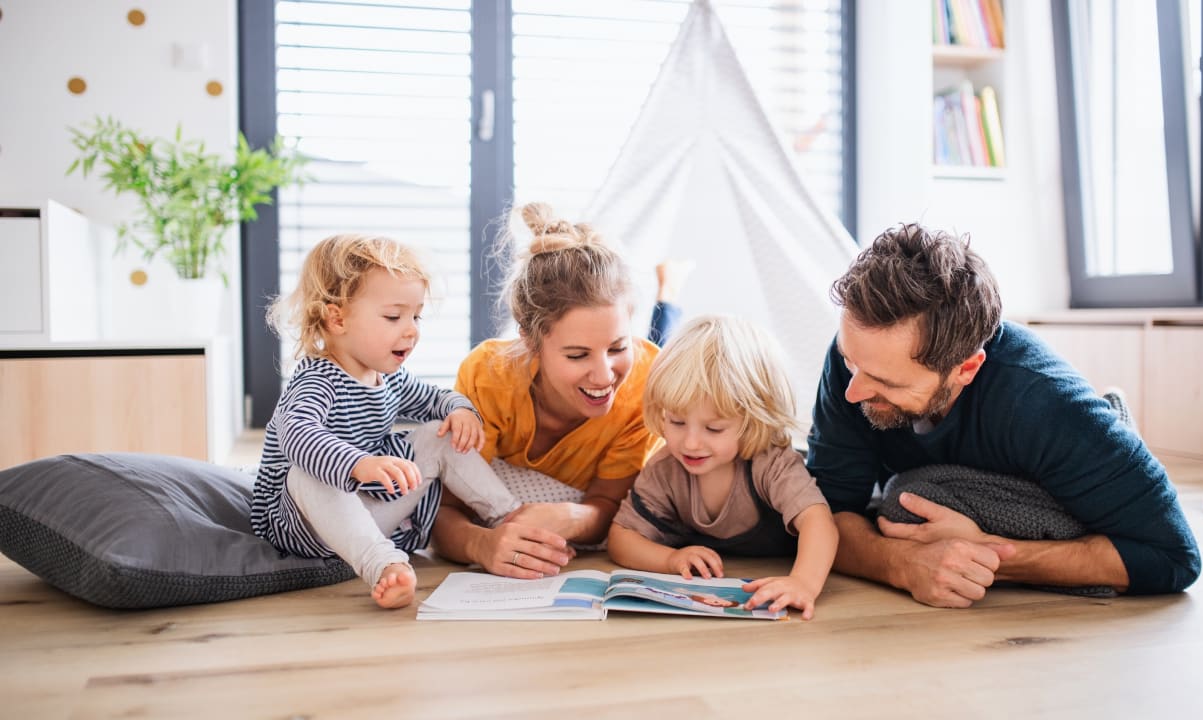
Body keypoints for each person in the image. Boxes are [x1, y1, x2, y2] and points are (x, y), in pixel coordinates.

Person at [806, 223, 1201, 608]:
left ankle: (1116, 426)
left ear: (966, 368)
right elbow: (823, 515)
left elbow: (1173, 557)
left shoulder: (1045, 403)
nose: (852, 391)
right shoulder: (858, 361)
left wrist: (989, 556)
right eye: (849, 360)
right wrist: (901, 565)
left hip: (1055, 460)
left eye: (885, 381)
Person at [251, 234, 520, 609]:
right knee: (305, 471)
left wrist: (461, 410)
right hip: (304, 524)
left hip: (367, 511)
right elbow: (296, 435)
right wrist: (358, 464)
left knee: (436, 434)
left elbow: (436, 398)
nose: (411, 330)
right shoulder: (316, 381)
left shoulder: (388, 378)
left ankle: (509, 515)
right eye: (394, 317)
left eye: (416, 315)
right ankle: (384, 564)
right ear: (337, 317)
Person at [432, 202, 665, 579]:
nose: (605, 375)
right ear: (531, 341)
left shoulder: (644, 382)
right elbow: (442, 509)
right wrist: (481, 545)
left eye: (619, 348)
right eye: (577, 355)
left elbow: (612, 504)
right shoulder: (490, 376)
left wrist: (574, 516)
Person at [608, 315, 838, 620]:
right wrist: (671, 559)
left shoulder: (770, 462)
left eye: (713, 429)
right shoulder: (666, 467)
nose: (690, 443)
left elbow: (819, 522)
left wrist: (803, 583)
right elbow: (621, 537)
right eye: (676, 421)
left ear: (753, 422)